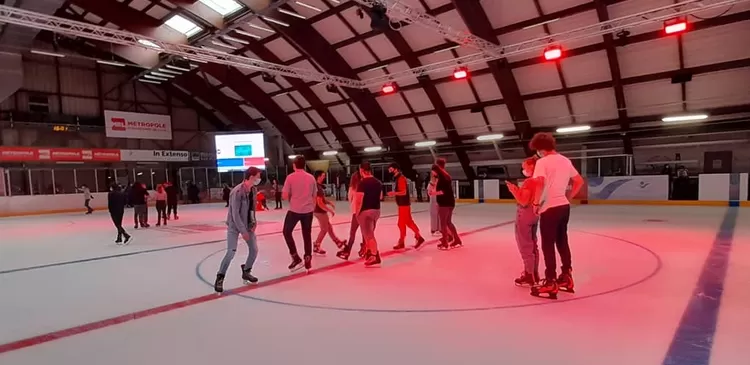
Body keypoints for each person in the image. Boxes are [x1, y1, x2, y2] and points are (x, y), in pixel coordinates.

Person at [529, 132, 585, 300]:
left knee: (547, 244)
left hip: (549, 207)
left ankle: (550, 280)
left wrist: (536, 203)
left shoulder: (542, 162)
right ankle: (567, 276)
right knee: (562, 241)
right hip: (563, 206)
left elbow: (539, 183)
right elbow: (579, 181)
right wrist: (568, 197)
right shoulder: (565, 160)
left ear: (539, 148)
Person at [214, 167, 262, 293]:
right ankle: (220, 277)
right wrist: (243, 230)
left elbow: (252, 208)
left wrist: (253, 221)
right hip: (234, 226)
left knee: (254, 250)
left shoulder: (253, 190)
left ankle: (246, 270)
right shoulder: (237, 191)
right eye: (257, 176)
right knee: (231, 252)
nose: (259, 179)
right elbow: (235, 214)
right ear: (251, 177)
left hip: (248, 225)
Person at [506, 157, 541, 287]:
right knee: (533, 245)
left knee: (525, 245)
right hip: (535, 214)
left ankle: (529, 274)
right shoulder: (540, 181)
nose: (523, 169)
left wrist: (514, 190)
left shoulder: (529, 182)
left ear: (532, 166)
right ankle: (535, 273)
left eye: (525, 166)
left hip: (525, 215)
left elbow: (524, 201)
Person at [282, 156, 318, 272]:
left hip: (294, 210)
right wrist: (312, 207)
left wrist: (292, 198)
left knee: (287, 232)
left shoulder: (290, 177)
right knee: (307, 235)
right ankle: (308, 259)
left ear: (294, 165)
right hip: (308, 211)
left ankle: (295, 257)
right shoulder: (311, 178)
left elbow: (285, 195)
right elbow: (314, 195)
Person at [352, 161, 383, 267]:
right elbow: (380, 197)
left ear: (362, 170)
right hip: (376, 211)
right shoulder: (378, 182)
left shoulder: (362, 183)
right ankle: (370, 253)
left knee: (369, 235)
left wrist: (357, 213)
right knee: (369, 233)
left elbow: (359, 200)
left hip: (365, 212)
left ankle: (375, 255)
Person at [388, 163, 425, 250]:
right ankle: (416, 237)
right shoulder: (398, 178)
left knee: (401, 223)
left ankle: (406, 240)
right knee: (408, 222)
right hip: (403, 204)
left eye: (391, 169)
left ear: (396, 169)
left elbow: (403, 192)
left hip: (404, 204)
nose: (389, 170)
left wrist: (393, 193)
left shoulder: (401, 178)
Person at [312, 170, 346, 255]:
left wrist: (328, 202)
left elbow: (321, 200)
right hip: (320, 211)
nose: (324, 177)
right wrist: (329, 210)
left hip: (317, 210)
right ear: (319, 176)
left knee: (329, 227)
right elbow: (319, 203)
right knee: (324, 229)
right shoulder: (318, 188)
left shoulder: (316, 186)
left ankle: (337, 242)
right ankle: (316, 245)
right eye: (323, 175)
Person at [336, 171, 366, 261]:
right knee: (364, 232)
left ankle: (348, 250)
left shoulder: (352, 188)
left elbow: (350, 199)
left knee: (352, 233)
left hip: (356, 212)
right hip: (364, 211)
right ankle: (365, 248)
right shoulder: (364, 187)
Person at [434, 159, 461, 250]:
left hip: (444, 203)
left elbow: (442, 191)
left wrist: (433, 193)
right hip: (450, 202)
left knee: (443, 223)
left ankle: (445, 243)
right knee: (448, 222)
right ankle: (457, 240)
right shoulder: (446, 175)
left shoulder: (441, 177)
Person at [427, 171, 440, 236]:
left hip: (439, 200)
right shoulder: (430, 183)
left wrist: (434, 193)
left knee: (439, 215)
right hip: (433, 201)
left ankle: (440, 229)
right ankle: (434, 229)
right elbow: (429, 192)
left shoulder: (440, 182)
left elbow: (442, 192)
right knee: (433, 215)